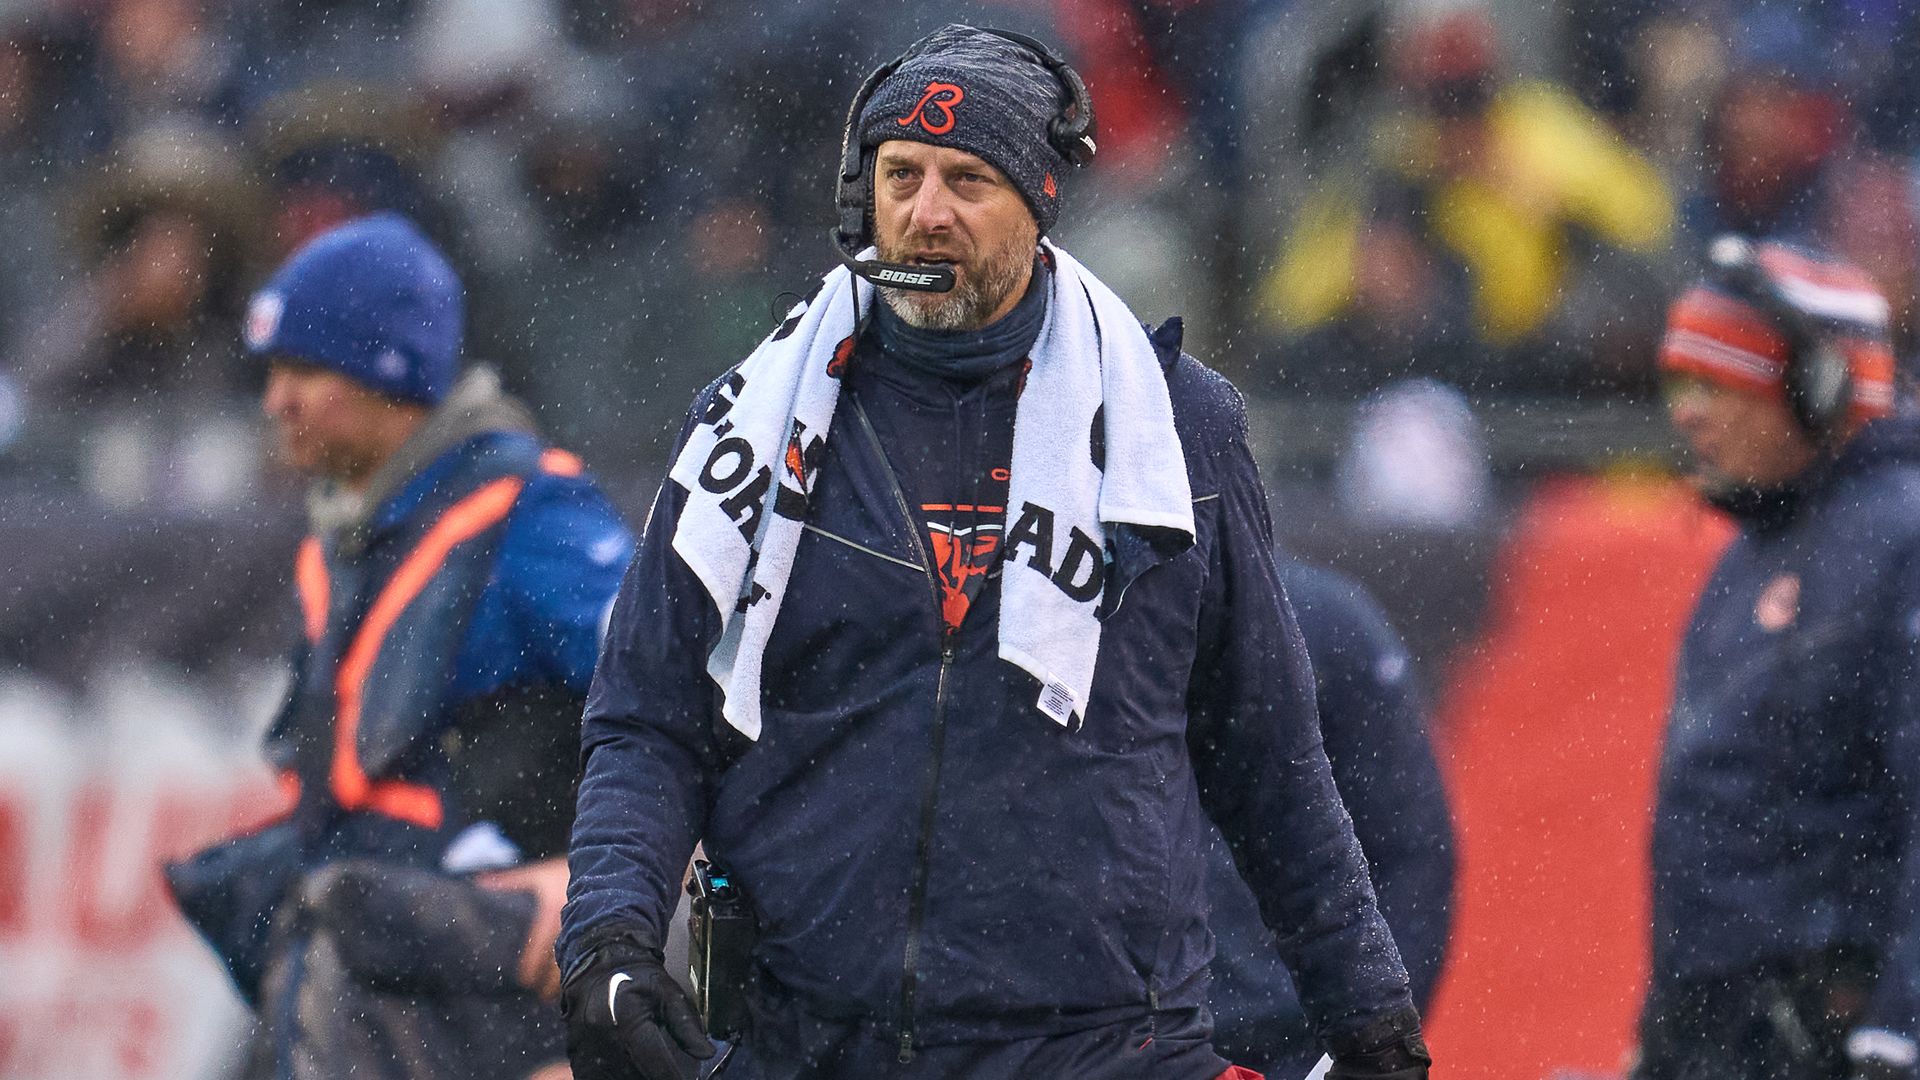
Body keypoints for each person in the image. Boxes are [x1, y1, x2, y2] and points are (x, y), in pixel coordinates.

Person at [559, 24, 1431, 1080]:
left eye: (968, 179)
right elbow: (648, 720)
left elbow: (1272, 763)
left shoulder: (1178, 428)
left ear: (1042, 203)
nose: (926, 212)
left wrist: (1371, 1020)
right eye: (901, 176)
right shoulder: (748, 423)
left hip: (1108, 1052)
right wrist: (607, 935)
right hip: (808, 1044)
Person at [164, 212, 634, 1079]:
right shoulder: (356, 524)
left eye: (304, 370)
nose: (277, 401)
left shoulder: (531, 514)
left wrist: (614, 890)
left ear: (392, 372)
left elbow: (688, 712)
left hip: (479, 991)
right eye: (272, 372)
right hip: (375, 979)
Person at [1634, 235, 1918, 1080]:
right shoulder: (1750, 553)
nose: (1685, 413)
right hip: (1732, 1034)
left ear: (1816, 386)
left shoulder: (1901, 543)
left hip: (1828, 1032)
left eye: (1715, 382)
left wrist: (1900, 1028)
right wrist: (1665, 1031)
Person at [1209, 557, 1456, 1078]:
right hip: (1126, 1031)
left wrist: (1370, 1044)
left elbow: (1412, 852)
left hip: (1284, 1036)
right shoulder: (1067, 617)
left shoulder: (1325, 621)